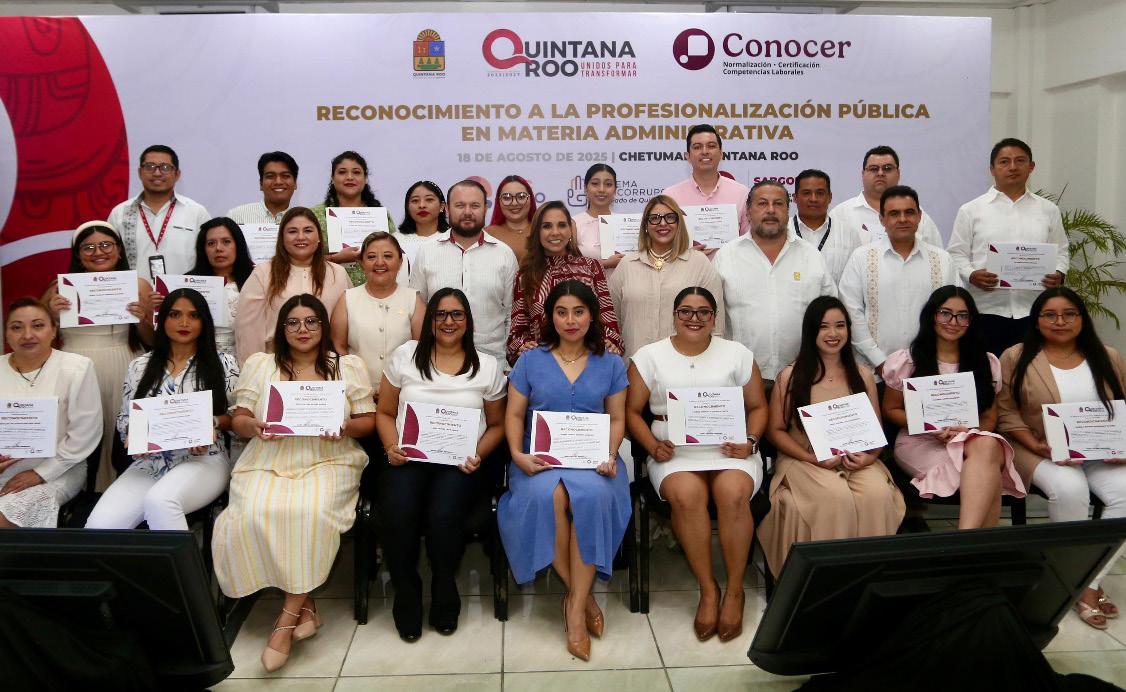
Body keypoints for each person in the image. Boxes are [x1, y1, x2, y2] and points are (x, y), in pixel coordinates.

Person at [213, 294, 376, 672]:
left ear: (323, 326)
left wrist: (345, 427)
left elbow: (367, 421)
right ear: (282, 328)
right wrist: (252, 426)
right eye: (293, 322)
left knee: (309, 512)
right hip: (269, 456)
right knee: (250, 513)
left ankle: (286, 620)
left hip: (329, 458)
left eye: (311, 321)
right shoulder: (261, 365)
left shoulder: (345, 366)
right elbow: (239, 418)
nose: (303, 329)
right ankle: (306, 605)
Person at [626, 286, 768, 642]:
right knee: (687, 495)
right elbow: (631, 412)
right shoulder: (649, 356)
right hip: (675, 454)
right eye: (686, 311)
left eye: (703, 312)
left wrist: (750, 441)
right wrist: (652, 446)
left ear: (714, 318)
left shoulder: (737, 354)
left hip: (730, 450)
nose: (694, 318)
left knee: (733, 493)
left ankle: (734, 590)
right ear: (674, 316)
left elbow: (758, 407)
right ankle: (708, 589)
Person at [499, 280, 631, 661]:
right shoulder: (530, 361)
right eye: (561, 312)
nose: (570, 320)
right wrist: (517, 454)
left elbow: (617, 418)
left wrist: (610, 454)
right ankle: (582, 596)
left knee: (592, 496)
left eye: (578, 312)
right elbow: (514, 414)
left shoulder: (610, 363)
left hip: (595, 461)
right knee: (547, 497)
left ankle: (573, 608)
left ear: (592, 316)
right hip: (537, 459)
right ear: (550, 317)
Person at [376, 289, 506, 641]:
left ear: (468, 321)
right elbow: (385, 412)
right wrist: (390, 447)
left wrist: (478, 454)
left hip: (460, 464)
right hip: (408, 459)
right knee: (398, 512)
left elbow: (498, 425)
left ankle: (445, 587)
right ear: (430, 320)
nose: (449, 321)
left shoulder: (487, 366)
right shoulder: (405, 355)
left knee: (443, 515)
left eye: (457, 314)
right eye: (441, 314)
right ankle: (407, 592)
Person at [997, 287, 1126, 630]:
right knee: (1070, 490)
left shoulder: (1108, 356)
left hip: (1099, 454)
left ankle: (1089, 582)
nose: (1060, 321)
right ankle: (1069, 580)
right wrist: (1037, 445)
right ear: (1036, 320)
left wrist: (1120, 445)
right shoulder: (1016, 356)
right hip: (1037, 448)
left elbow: (1122, 406)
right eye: (1050, 314)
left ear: (1082, 318)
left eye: (1069, 314)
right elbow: (1006, 413)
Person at [759, 296, 905, 577]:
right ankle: (826, 580)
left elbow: (876, 431)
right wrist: (812, 458)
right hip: (804, 460)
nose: (833, 333)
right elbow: (774, 430)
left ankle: (868, 577)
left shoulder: (862, 375)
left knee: (877, 495)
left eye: (840, 325)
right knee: (834, 497)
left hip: (857, 459)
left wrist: (869, 458)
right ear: (811, 331)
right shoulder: (791, 376)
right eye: (824, 326)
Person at [85, 289, 239, 530]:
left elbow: (236, 418)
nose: (184, 323)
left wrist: (211, 424)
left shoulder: (224, 363)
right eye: (175, 314)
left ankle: (183, 558)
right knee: (98, 526)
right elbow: (125, 419)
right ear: (163, 319)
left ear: (204, 322)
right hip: (150, 462)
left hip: (204, 459)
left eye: (194, 315)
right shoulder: (140, 366)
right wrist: (135, 438)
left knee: (161, 502)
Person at [881, 286, 1024, 528]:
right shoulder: (907, 360)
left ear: (971, 320)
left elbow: (990, 419)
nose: (953, 322)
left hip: (968, 439)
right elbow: (891, 410)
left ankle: (965, 536)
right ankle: (975, 542)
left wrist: (967, 431)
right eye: (945, 313)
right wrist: (929, 426)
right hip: (920, 441)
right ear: (932, 316)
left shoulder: (986, 362)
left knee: (988, 445)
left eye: (962, 316)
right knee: (987, 470)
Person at [43, 221, 155, 489]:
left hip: (124, 363)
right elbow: (37, 336)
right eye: (88, 247)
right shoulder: (58, 288)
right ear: (78, 254)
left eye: (106, 244)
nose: (98, 252)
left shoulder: (139, 285)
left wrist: (142, 318)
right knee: (74, 431)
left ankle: (123, 489)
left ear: (119, 249)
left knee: (123, 431)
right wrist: (51, 315)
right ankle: (77, 492)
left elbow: (154, 341)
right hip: (73, 366)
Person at [946, 138, 1069, 356]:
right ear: (992, 169)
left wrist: (1059, 273)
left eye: (1020, 161)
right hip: (986, 311)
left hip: (1034, 311)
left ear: (1031, 166)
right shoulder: (971, 210)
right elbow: (956, 253)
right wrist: (972, 274)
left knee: (1032, 372)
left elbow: (1061, 251)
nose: (1012, 167)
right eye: (1004, 162)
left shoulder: (1048, 210)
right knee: (988, 372)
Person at [715, 180, 837, 386]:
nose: (771, 210)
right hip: (741, 378)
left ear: (788, 211)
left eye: (778, 204)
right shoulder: (726, 256)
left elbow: (831, 314)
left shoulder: (810, 256)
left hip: (803, 376)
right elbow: (713, 317)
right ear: (748, 211)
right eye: (762, 203)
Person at [0, 298, 101, 527]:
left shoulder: (77, 367)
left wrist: (40, 473)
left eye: (38, 326)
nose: (27, 335)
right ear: (6, 334)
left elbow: (84, 435)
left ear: (54, 330)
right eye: (16, 327)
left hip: (58, 471)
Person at [838, 186, 960, 375]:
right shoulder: (861, 258)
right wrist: (879, 361)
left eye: (909, 212)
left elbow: (957, 312)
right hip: (874, 371)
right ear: (882, 219)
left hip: (931, 370)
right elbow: (851, 312)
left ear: (919, 216)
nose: (902, 219)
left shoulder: (943, 260)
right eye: (894, 214)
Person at [410, 180, 519, 366]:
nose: (467, 212)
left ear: (485, 208)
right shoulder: (427, 251)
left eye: (475, 205)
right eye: (460, 205)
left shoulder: (504, 254)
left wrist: (507, 361)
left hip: (493, 362)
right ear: (447, 209)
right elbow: (418, 310)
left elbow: (513, 314)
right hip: (437, 363)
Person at [506, 201, 623, 365]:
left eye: (562, 225)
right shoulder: (525, 275)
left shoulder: (592, 267)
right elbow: (517, 332)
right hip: (543, 365)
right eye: (547, 226)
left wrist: (610, 341)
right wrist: (523, 346)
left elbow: (608, 320)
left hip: (590, 363)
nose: (555, 232)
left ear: (570, 230)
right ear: (537, 232)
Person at [608, 195, 725, 359]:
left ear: (679, 224)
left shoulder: (699, 263)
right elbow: (611, 321)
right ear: (646, 225)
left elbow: (715, 323)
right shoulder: (627, 265)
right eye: (655, 218)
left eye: (670, 217)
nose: (662, 223)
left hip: (686, 365)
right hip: (635, 365)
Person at [234, 207, 350, 364]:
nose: (300, 237)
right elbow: (248, 331)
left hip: (327, 366)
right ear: (282, 238)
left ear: (319, 237)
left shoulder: (338, 273)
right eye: (292, 231)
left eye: (308, 230)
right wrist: (254, 371)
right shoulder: (263, 273)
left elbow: (350, 328)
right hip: (275, 366)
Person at [330, 231, 424, 393]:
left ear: (400, 262)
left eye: (388, 256)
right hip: (357, 392)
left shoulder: (413, 299)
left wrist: (395, 389)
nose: (380, 262)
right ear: (361, 262)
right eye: (371, 257)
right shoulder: (347, 298)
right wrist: (357, 385)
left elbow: (420, 350)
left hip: (403, 391)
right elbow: (338, 347)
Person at [106, 144, 211, 281]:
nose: (157, 173)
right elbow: (108, 258)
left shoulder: (196, 212)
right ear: (139, 172)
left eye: (165, 167)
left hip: (185, 292)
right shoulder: (119, 213)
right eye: (149, 167)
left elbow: (209, 258)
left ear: (177, 174)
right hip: (135, 293)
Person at [309, 151, 397, 286]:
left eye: (356, 172)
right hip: (330, 288)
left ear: (365, 178)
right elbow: (301, 259)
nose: (349, 177)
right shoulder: (314, 215)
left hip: (376, 289)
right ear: (332, 178)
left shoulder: (380, 214)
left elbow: (395, 255)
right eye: (342, 172)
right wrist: (334, 258)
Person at [828, 145, 943, 247]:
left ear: (898, 173)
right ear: (863, 174)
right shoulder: (840, 215)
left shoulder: (916, 216)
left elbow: (936, 256)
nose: (880, 173)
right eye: (873, 169)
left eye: (887, 168)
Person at [662, 124, 750, 247]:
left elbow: (749, 240)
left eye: (711, 146)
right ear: (687, 156)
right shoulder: (670, 196)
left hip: (732, 260)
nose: (705, 152)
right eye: (697, 147)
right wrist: (686, 253)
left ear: (721, 154)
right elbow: (664, 242)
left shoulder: (742, 193)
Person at [185, 217, 256, 357]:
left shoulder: (258, 279)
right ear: (203, 249)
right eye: (211, 243)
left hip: (249, 359)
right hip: (200, 359)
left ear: (238, 244)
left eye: (226, 242)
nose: (218, 248)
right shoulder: (187, 283)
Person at [790, 169, 860, 283]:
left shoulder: (849, 234)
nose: (813, 199)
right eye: (806, 193)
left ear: (830, 197)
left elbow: (856, 281)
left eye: (820, 193)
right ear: (795, 198)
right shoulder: (782, 232)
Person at [572, 164, 624, 274]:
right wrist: (605, 264)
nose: (601, 189)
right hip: (585, 284)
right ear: (585, 188)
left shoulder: (625, 223)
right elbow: (569, 266)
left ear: (615, 189)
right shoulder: (574, 223)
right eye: (595, 184)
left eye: (608, 184)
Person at [226, 151, 300, 225]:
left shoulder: (303, 219)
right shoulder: (236, 217)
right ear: (261, 184)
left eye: (285, 176)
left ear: (295, 183)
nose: (278, 182)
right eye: (270, 176)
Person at [396, 180, 449, 273]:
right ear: (407, 207)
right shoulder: (395, 240)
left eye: (429, 200)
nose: (422, 205)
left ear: (442, 206)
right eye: (415, 201)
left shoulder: (452, 237)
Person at [485, 174, 537, 263]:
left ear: (530, 199)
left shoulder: (543, 231)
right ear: (499, 201)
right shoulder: (487, 235)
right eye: (507, 198)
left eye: (521, 196)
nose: (514, 203)